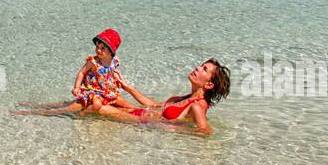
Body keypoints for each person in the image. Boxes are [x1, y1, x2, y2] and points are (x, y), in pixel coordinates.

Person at [14, 30, 149, 117]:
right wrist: (77, 87)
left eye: (103, 48)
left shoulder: (115, 61)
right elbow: (81, 73)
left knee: (125, 103)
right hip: (93, 91)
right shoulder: (93, 62)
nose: (98, 50)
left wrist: (116, 78)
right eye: (97, 47)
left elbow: (111, 72)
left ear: (112, 51)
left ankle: (144, 112)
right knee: (67, 108)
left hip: (108, 90)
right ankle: (35, 111)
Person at [92, 60, 231, 135]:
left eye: (204, 69)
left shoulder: (198, 105)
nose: (198, 68)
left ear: (209, 84)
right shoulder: (185, 98)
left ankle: (69, 113)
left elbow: (205, 132)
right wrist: (126, 86)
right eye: (201, 65)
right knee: (99, 98)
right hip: (139, 113)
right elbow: (153, 105)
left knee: (96, 107)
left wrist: (172, 128)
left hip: (141, 120)